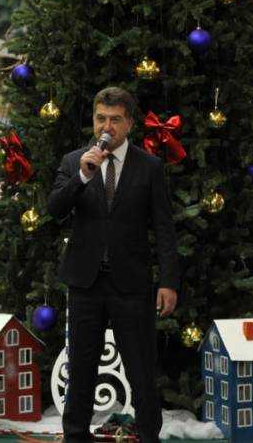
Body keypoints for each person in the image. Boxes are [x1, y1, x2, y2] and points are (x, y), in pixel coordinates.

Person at [47, 87, 180, 443]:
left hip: (132, 284)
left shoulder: (149, 166)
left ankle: (149, 436)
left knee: (141, 370)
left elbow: (164, 228)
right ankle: (76, 436)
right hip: (85, 283)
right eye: (101, 119)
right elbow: (55, 209)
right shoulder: (74, 161)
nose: (107, 127)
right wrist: (83, 176)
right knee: (81, 369)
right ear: (93, 120)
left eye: (115, 120)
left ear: (129, 123)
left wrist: (169, 281)